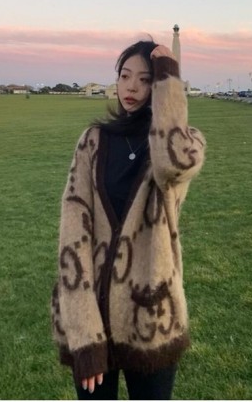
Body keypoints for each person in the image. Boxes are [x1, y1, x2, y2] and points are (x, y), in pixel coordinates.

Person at [51, 39, 206, 400]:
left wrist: (170, 78)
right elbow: (73, 235)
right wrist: (84, 335)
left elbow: (171, 164)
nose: (131, 87)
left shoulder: (187, 144)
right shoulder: (93, 141)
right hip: (93, 315)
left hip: (152, 316)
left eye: (146, 79)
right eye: (124, 76)